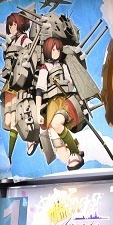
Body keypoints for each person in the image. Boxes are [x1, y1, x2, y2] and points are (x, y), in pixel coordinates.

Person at [35, 37, 85, 170]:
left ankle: (74, 150)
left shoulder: (63, 66)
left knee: (56, 124)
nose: (56, 52)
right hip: (52, 104)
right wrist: (38, 112)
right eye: (53, 50)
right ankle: (72, 152)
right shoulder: (45, 68)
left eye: (58, 50)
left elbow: (72, 82)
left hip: (66, 102)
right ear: (47, 51)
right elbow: (39, 91)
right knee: (57, 142)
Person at [0, 12, 32, 160]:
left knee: (15, 118)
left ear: (21, 24)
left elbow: (31, 61)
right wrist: (0, 72)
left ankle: (11, 154)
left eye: (14, 24)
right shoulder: (10, 43)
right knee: (8, 119)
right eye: (10, 25)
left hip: (21, 81)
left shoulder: (26, 41)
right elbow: (8, 65)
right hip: (10, 81)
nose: (12, 27)